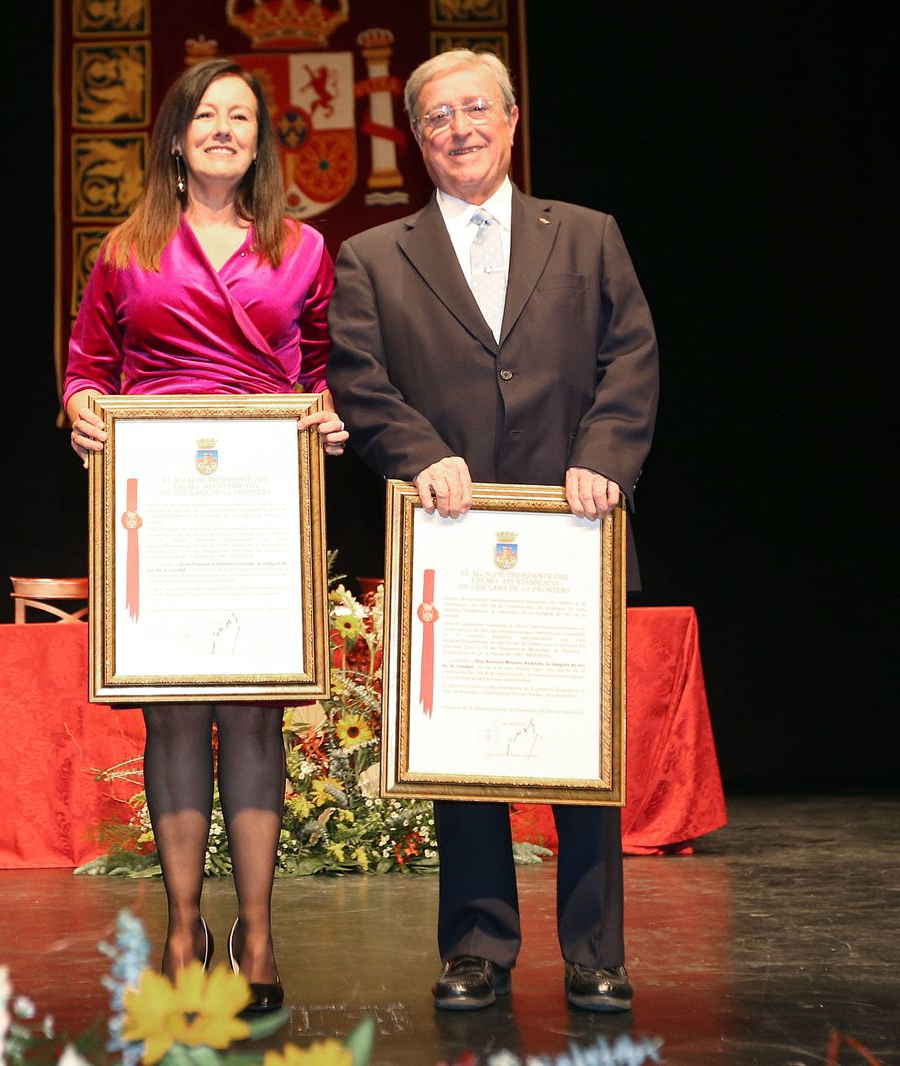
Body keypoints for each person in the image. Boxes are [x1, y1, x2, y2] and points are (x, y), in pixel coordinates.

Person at [326, 49, 658, 1013]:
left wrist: (605, 455)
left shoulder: (591, 237)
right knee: (463, 745)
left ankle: (597, 949)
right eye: (438, 118)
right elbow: (359, 376)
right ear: (417, 140)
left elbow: (630, 354)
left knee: (579, 749)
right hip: (449, 535)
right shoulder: (373, 257)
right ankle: (477, 945)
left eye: (477, 110)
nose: (460, 129)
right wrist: (416, 451)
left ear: (513, 121)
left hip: (574, 527)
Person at [63, 57, 348, 1011]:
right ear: (177, 136)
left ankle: (258, 930)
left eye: (244, 117)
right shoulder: (122, 251)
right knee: (176, 710)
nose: (226, 128)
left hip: (263, 504)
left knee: (256, 710)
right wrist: (81, 409)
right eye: (209, 115)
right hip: (164, 509)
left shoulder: (303, 251)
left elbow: (319, 368)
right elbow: (85, 366)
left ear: (262, 141)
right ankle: (184, 923)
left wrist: (329, 415)